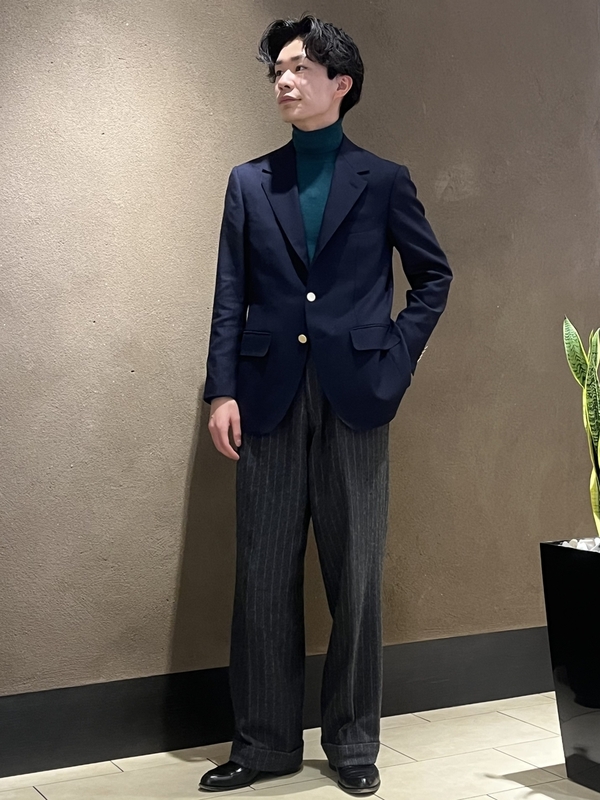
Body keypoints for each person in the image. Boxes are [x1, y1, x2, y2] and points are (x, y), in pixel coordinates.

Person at [199, 13, 453, 794]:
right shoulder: (250, 181)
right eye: (277, 69)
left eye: (299, 68)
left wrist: (395, 358)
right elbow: (230, 294)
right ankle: (263, 745)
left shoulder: (384, 179)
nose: (284, 80)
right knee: (262, 577)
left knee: (357, 579)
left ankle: (353, 745)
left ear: (340, 83)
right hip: (266, 398)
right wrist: (222, 389)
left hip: (356, 397)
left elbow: (433, 277)